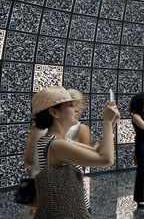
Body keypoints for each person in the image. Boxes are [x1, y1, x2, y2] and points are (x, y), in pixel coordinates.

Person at [31, 86, 120, 218]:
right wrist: (106, 123)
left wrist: (111, 125)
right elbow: (106, 159)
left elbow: (97, 151)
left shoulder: (59, 141)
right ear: (55, 113)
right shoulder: (56, 145)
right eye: (71, 105)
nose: (77, 109)